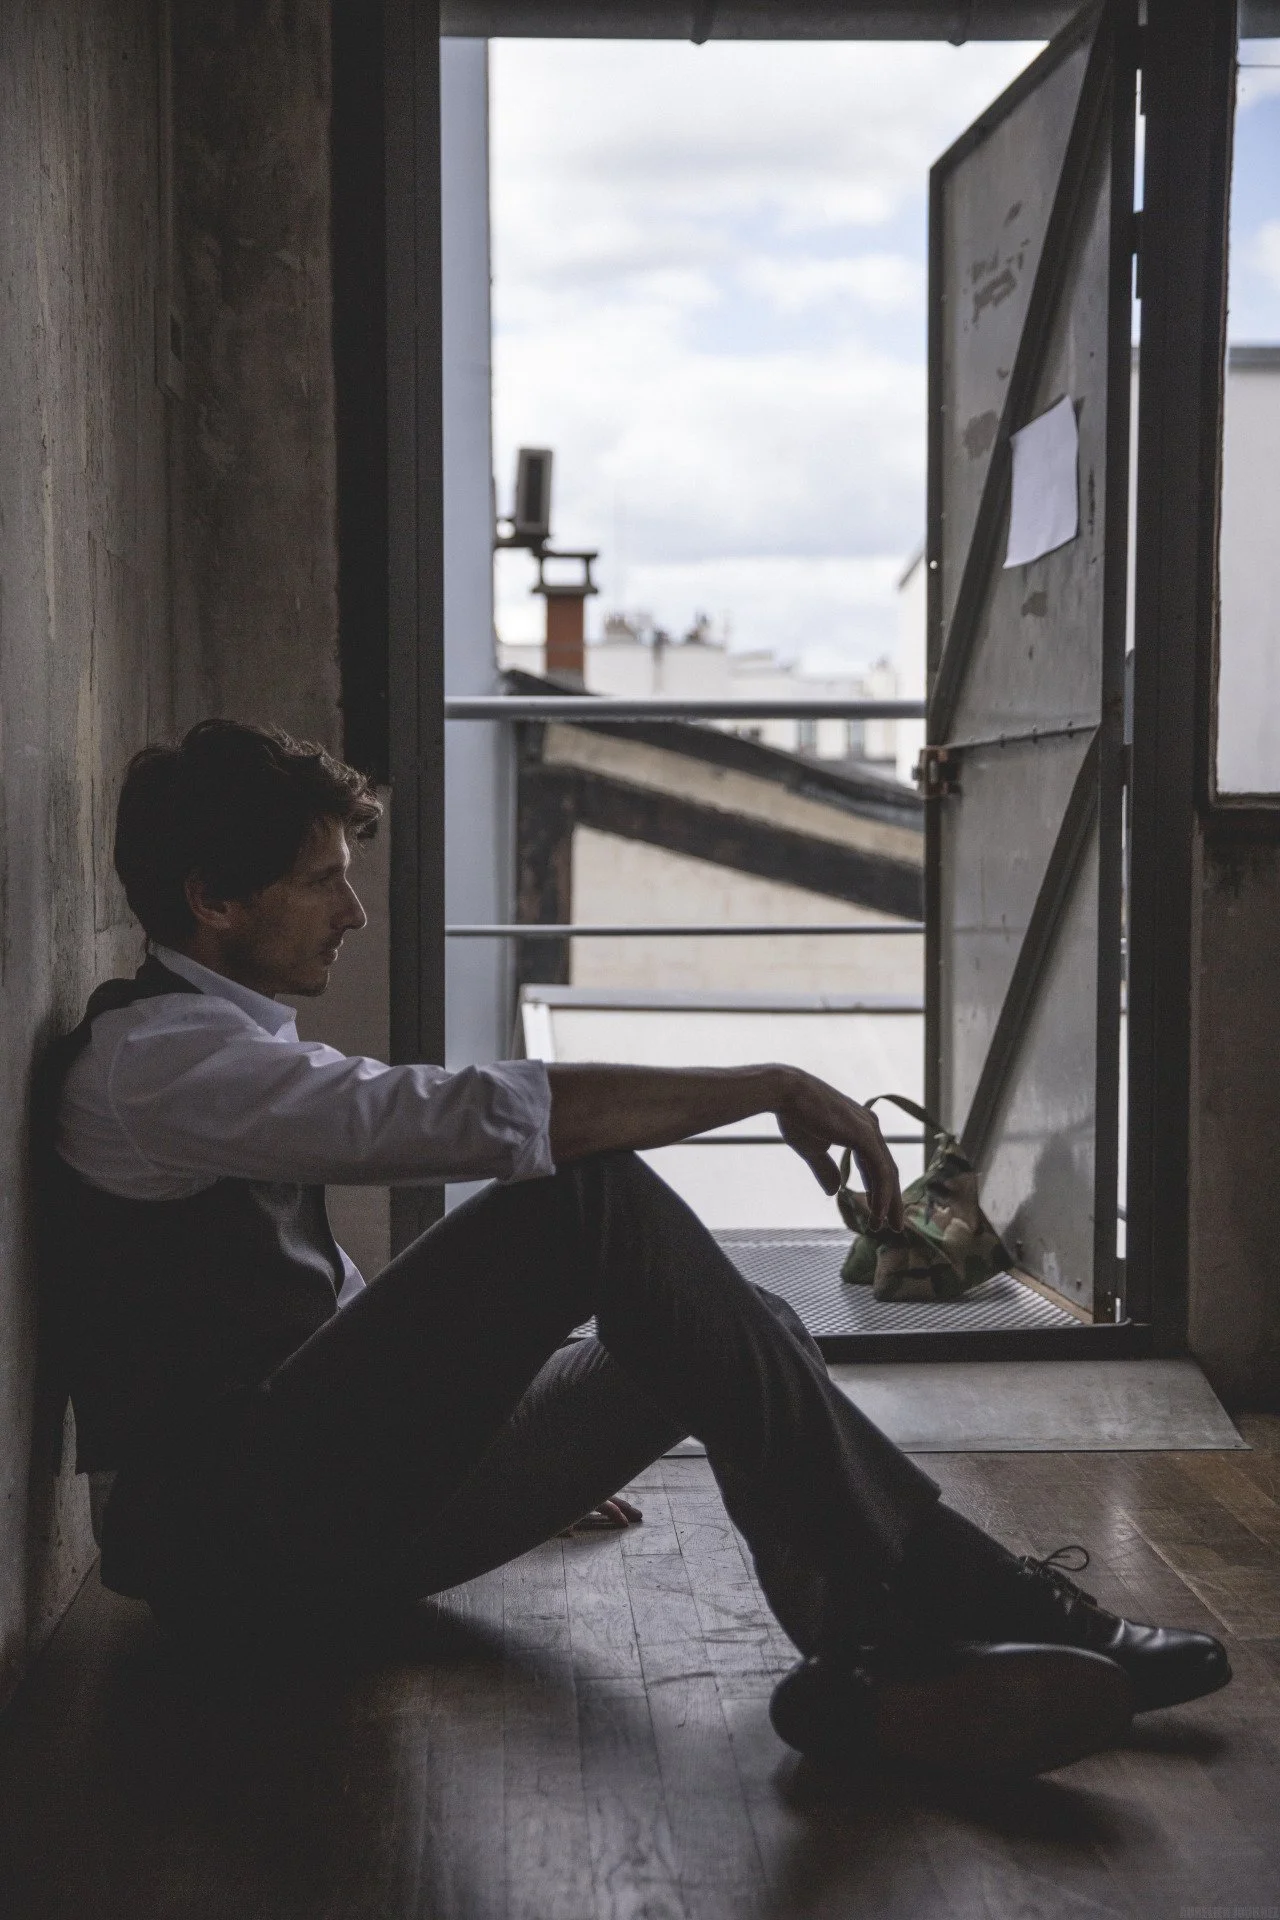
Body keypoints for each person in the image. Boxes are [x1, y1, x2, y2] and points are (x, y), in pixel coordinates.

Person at [45, 719, 1229, 1779]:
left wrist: (485, 1421)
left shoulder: (222, 1054)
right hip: (237, 1555)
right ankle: (955, 1600)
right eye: (319, 885)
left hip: (333, 1516)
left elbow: (320, 1306)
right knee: (581, 1196)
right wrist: (762, 1083)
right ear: (213, 900)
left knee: (748, 1319)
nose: (352, 916)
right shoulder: (161, 1063)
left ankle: (879, 1671)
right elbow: (448, 1118)